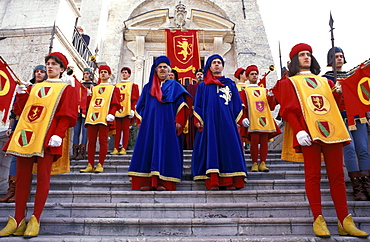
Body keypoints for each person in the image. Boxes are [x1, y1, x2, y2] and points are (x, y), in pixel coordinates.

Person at [273, 43, 369, 238]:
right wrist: (299, 130)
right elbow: (289, 108)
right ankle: (318, 218)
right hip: (309, 132)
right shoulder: (288, 83)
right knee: (313, 176)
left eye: (308, 54)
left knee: (337, 177)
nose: (306, 57)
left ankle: (344, 220)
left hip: (332, 131)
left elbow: (337, 104)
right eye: (302, 55)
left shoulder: (325, 82)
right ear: (294, 60)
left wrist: (340, 93)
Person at [0, 52, 78, 238]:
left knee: (43, 177)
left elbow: (67, 114)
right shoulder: (34, 88)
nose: (50, 67)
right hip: (26, 137)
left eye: (54, 64)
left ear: (62, 68)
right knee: (21, 178)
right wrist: (19, 96)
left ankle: (35, 218)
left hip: (48, 137)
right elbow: (20, 111)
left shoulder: (67, 89)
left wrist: (58, 134)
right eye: (48, 63)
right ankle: (18, 220)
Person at [128, 56, 191, 191]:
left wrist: (179, 121)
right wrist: (140, 119)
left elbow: (182, 105)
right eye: (160, 67)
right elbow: (141, 105)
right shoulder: (148, 87)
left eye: (165, 67)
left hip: (168, 125)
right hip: (150, 125)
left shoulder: (175, 86)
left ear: (169, 71)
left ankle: (164, 182)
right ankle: (147, 181)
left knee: (165, 150)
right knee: (148, 150)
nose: (163, 69)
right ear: (155, 70)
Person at [191, 54, 247, 191]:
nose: (217, 64)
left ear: (222, 66)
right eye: (214, 62)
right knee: (212, 149)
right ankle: (213, 181)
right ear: (209, 66)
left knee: (229, 148)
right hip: (209, 123)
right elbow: (197, 104)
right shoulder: (203, 86)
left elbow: (236, 104)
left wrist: (237, 119)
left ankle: (230, 181)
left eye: (219, 62)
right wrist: (198, 119)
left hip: (227, 122)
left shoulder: (230, 84)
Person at [323, 47, 370, 201]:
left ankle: (367, 184)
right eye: (336, 56)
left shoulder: (352, 76)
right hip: (340, 118)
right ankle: (357, 187)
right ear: (330, 59)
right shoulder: (325, 79)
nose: (339, 59)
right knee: (349, 150)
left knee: (363, 149)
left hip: (357, 118)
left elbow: (362, 94)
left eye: (341, 56)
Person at [0, 65, 47, 203]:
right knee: (15, 157)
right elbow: (15, 109)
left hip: (37, 127)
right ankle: (12, 190)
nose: (39, 74)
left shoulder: (47, 90)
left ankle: (22, 191)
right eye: (37, 72)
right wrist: (11, 126)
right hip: (21, 125)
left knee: (30, 160)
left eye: (42, 72)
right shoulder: (26, 88)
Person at [240, 65, 281, 172]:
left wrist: (272, 96)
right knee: (253, 142)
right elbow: (242, 106)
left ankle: (263, 162)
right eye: (251, 74)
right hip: (252, 119)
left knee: (264, 142)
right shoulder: (244, 91)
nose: (254, 76)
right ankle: (254, 162)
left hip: (265, 119)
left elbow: (271, 106)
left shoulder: (264, 90)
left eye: (255, 74)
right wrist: (243, 118)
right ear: (248, 77)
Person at [80, 65, 120, 173]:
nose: (103, 74)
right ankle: (90, 164)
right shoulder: (94, 88)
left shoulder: (113, 88)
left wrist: (111, 114)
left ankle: (100, 164)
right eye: (101, 72)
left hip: (104, 117)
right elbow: (89, 103)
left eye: (105, 72)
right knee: (91, 142)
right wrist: (88, 96)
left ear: (109, 74)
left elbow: (116, 103)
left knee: (103, 141)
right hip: (92, 117)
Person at [110, 67, 139, 155]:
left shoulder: (133, 85)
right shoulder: (115, 86)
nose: (124, 74)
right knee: (117, 130)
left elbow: (135, 98)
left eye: (126, 72)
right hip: (117, 110)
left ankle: (124, 148)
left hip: (127, 110)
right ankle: (115, 148)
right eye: (122, 72)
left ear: (129, 74)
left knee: (126, 129)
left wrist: (132, 109)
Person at [71, 68, 95, 160]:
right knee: (76, 131)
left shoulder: (94, 86)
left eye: (88, 73)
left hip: (87, 110)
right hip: (78, 110)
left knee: (85, 131)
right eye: (84, 73)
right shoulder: (79, 85)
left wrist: (91, 93)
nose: (86, 75)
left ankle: (82, 152)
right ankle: (75, 152)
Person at [184, 69, 203, 150]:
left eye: (201, 74)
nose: (199, 76)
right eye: (198, 74)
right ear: (195, 76)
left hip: (205, 112)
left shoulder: (207, 87)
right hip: (193, 112)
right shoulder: (191, 87)